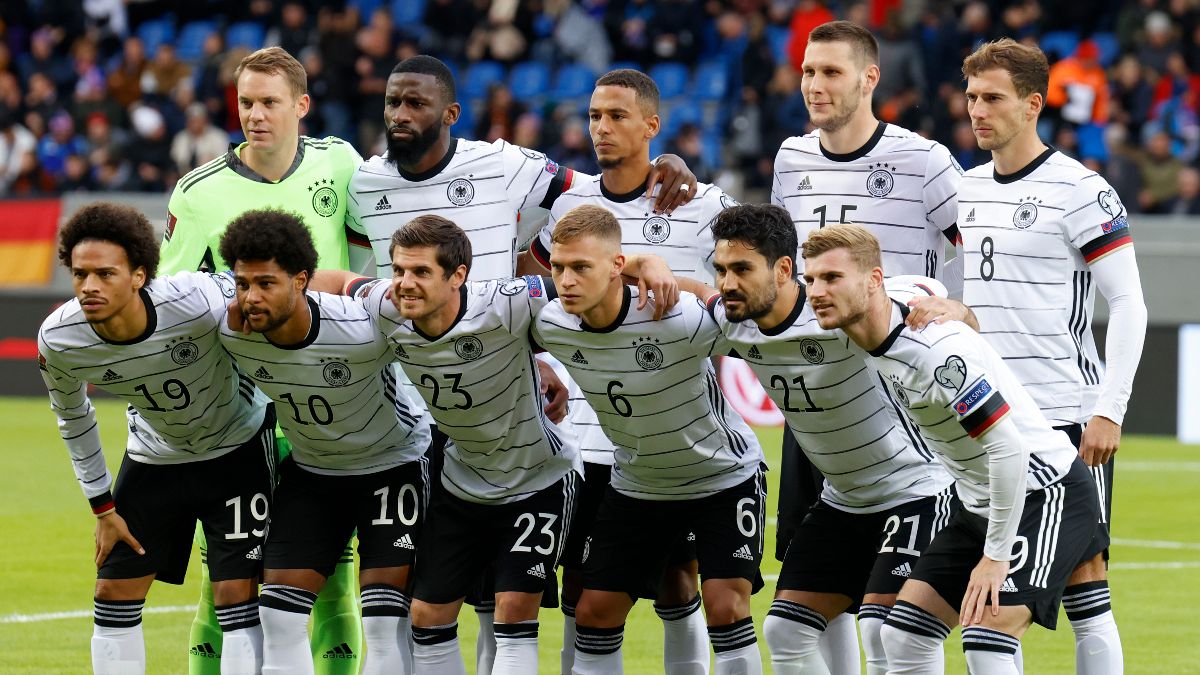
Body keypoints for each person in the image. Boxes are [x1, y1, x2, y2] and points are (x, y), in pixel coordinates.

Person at [344, 54, 693, 669]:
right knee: (407, 593)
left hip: (496, 397)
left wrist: (659, 163)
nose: (400, 114)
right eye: (393, 101)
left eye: (416, 103)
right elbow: (340, 262)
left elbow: (595, 195)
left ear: (450, 113)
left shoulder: (506, 165)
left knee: (498, 598)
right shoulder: (362, 184)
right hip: (401, 408)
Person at [911, 38, 1147, 673]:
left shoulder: (1081, 189)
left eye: (992, 99)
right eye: (970, 98)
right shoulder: (968, 189)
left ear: (1032, 105)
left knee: (1087, 586)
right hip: (990, 419)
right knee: (991, 601)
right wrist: (950, 308)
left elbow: (1128, 303)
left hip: (1066, 417)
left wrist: (1110, 410)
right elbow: (972, 290)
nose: (977, 111)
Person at [802, 223, 1109, 675]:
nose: (816, 292)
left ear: (873, 282)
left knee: (986, 638)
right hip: (975, 502)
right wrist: (960, 308)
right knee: (902, 636)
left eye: (831, 278)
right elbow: (929, 287)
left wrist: (995, 556)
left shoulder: (937, 354)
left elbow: (1008, 451)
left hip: (1043, 493)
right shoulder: (896, 301)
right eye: (810, 280)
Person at [674, 203, 961, 675]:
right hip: (844, 501)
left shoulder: (836, 306)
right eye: (722, 269)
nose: (727, 282)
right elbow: (698, 293)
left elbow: (925, 291)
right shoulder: (732, 319)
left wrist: (954, 307)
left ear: (784, 269)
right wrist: (648, 267)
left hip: (918, 489)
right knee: (784, 632)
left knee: (884, 630)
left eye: (742, 269)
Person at [158, 46, 366, 674]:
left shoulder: (341, 163)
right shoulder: (198, 193)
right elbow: (172, 301)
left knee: (333, 571)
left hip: (330, 400)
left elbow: (383, 242)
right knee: (228, 575)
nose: (254, 114)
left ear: (301, 106)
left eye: (269, 102)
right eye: (246, 102)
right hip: (239, 409)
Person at [523, 68, 735, 675]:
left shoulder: (700, 204)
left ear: (651, 126)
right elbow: (537, 281)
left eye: (617, 116)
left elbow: (740, 284)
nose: (601, 128)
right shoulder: (570, 203)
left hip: (677, 434)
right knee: (583, 595)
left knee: (677, 583)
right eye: (594, 116)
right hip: (586, 437)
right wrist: (542, 361)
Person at [770, 20, 967, 670]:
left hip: (903, 408)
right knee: (820, 593)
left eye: (830, 72)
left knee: (896, 613)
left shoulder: (924, 160)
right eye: (807, 71)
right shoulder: (790, 159)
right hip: (816, 400)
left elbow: (978, 245)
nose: (814, 85)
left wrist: (961, 310)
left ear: (869, 77)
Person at [38, 202, 274, 675]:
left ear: (139, 276)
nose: (89, 286)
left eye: (105, 274)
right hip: (155, 456)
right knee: (113, 590)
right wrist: (102, 507)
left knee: (235, 595)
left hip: (237, 447)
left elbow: (261, 298)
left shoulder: (197, 299)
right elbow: (72, 417)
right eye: (80, 274)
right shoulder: (60, 340)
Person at [532, 205, 767, 675]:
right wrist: (537, 366)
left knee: (724, 606)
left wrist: (682, 279)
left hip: (722, 478)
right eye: (559, 268)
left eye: (582, 267)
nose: (567, 280)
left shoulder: (674, 314)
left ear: (617, 267)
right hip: (638, 485)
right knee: (593, 611)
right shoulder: (549, 322)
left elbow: (743, 316)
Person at [216, 209, 436, 675]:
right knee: (278, 614)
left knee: (384, 618)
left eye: (266, 284)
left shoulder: (361, 327)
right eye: (242, 284)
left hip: (392, 465)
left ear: (301, 281)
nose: (251, 297)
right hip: (313, 473)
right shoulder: (232, 332)